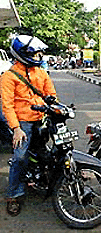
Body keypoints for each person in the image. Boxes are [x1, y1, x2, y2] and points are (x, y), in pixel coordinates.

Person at [0, 35, 57, 216]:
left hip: (41, 117)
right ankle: (13, 195)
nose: (39, 56)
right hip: (22, 123)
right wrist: (16, 129)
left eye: (40, 53)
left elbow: (51, 94)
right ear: (22, 54)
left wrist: (56, 107)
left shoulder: (41, 72)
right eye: (36, 53)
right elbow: (7, 106)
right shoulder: (8, 77)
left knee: (49, 152)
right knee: (20, 157)